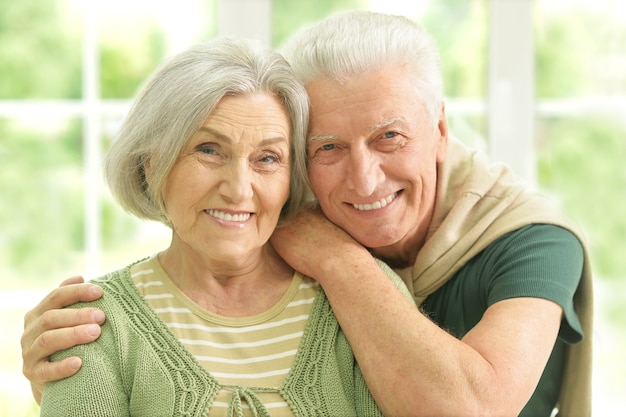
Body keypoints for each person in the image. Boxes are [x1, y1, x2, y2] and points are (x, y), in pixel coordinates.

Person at [22, 10, 593, 417]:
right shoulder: (106, 322)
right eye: (328, 147)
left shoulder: (529, 243)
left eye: (390, 136)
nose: (364, 179)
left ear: (441, 132)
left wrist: (337, 259)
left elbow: (470, 409)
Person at [34, 36, 416, 416]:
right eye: (209, 150)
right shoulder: (91, 325)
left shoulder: (362, 297)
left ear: (291, 179)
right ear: (153, 165)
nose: (238, 189)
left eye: (267, 158)